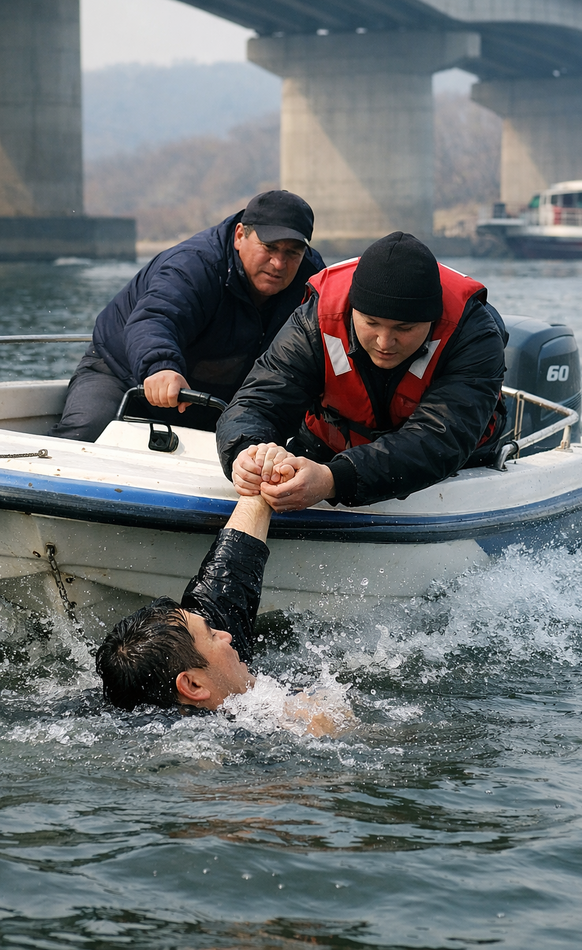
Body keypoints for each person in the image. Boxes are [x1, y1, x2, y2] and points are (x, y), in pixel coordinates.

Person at [217, 232, 507, 511]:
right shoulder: (316, 320)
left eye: (404, 328)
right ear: (352, 309)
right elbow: (258, 402)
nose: (384, 342)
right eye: (371, 323)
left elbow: (440, 438)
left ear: (433, 320)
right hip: (325, 450)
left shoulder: (473, 335)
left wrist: (333, 480)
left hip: (451, 467)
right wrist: (247, 453)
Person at [96, 451, 348, 734]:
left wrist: (265, 471)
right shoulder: (226, 747)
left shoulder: (193, 664)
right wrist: (327, 725)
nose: (226, 635)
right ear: (193, 685)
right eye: (213, 635)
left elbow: (231, 567)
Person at [53, 190, 324, 441]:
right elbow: (155, 318)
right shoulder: (195, 265)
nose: (279, 263)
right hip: (120, 372)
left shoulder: (314, 281)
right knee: (84, 436)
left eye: (292, 252)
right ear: (240, 235)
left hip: (227, 398)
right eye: (269, 247)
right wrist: (161, 368)